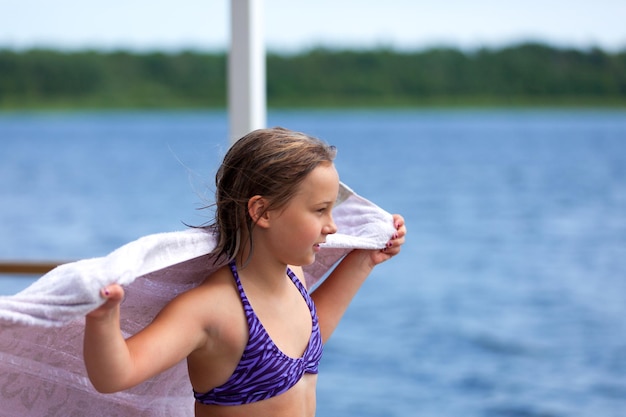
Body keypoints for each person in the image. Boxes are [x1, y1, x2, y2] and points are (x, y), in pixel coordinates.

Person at [84, 127, 407, 417]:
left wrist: (364, 260)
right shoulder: (212, 309)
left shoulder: (291, 277)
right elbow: (116, 376)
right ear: (262, 211)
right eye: (320, 210)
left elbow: (310, 332)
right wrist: (103, 316)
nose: (332, 226)